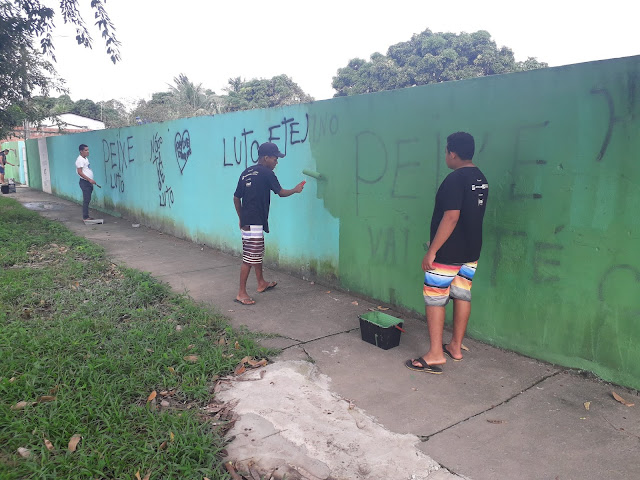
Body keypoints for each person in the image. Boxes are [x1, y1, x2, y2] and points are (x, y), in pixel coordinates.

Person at [406, 132, 489, 374]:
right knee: (462, 295)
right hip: (471, 251)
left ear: (452, 153)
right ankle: (455, 346)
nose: (446, 156)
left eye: (446, 152)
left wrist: (432, 251)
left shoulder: (455, 179)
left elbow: (451, 217)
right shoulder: (480, 178)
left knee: (435, 297)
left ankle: (434, 354)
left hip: (449, 252)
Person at [233, 142, 305, 305]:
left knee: (256, 253)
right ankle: (241, 293)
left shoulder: (246, 172)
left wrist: (241, 218)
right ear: (266, 158)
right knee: (250, 257)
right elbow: (281, 193)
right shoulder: (266, 173)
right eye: (275, 158)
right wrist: (295, 189)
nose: (276, 162)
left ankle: (261, 283)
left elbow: (236, 197)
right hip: (255, 221)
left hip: (248, 221)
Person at [75, 144, 96, 221]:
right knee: (86, 199)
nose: (88, 151)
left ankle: (86, 216)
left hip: (88, 182)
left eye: (88, 150)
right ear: (81, 151)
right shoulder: (80, 160)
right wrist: (89, 179)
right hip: (85, 182)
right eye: (86, 150)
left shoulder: (85, 159)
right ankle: (85, 217)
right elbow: (80, 172)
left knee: (88, 199)